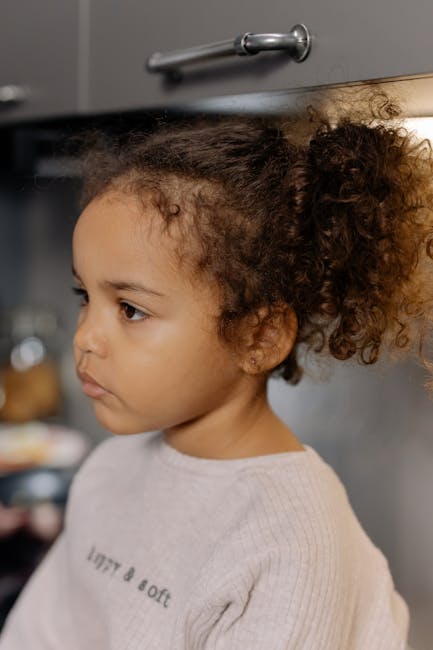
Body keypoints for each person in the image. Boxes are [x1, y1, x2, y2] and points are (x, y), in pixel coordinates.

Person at [1, 91, 432, 649]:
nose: (85, 337)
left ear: (260, 336)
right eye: (85, 295)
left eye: (130, 309)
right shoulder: (110, 469)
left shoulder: (294, 540)